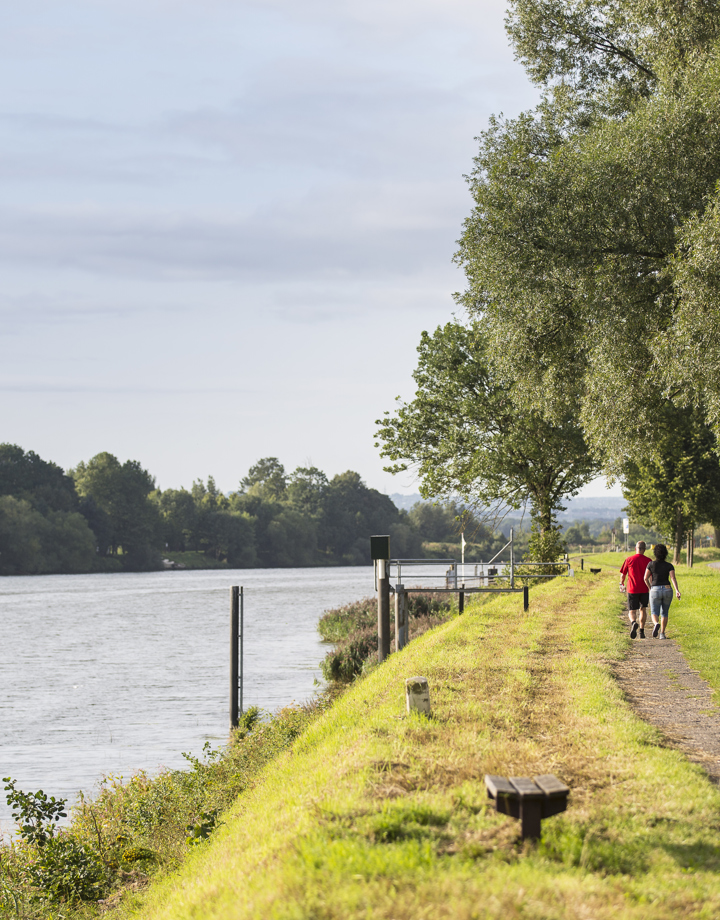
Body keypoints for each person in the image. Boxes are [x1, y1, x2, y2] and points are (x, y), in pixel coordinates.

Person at [644, 543, 681, 638]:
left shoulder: (651, 564)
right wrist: (677, 590)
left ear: (655, 553)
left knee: (654, 612)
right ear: (665, 553)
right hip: (667, 589)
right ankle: (662, 634)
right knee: (664, 612)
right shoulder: (669, 565)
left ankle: (656, 623)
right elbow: (673, 578)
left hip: (655, 589)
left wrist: (650, 588)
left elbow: (645, 578)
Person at [619, 541, 651, 638]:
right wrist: (651, 587)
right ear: (644, 550)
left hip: (632, 589)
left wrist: (621, 583)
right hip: (644, 589)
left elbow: (623, 575)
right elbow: (651, 576)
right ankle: (642, 631)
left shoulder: (629, 559)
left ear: (635, 548)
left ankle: (633, 623)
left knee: (632, 611)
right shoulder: (649, 561)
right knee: (643, 609)